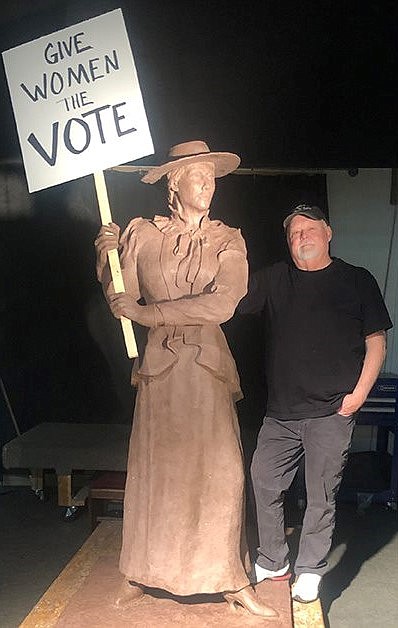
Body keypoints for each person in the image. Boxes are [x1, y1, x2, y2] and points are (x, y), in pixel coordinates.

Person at [94, 140, 277, 619]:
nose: (209, 186)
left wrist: (147, 313)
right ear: (174, 183)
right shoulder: (142, 234)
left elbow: (224, 302)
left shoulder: (228, 239)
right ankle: (144, 569)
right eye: (199, 177)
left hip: (208, 367)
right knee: (157, 472)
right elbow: (124, 297)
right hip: (159, 369)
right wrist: (108, 259)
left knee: (222, 472)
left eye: (213, 178)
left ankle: (229, 578)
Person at [239, 204, 392, 603]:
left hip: (331, 411)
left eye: (309, 229)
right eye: (293, 233)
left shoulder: (356, 280)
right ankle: (273, 560)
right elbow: (230, 299)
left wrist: (359, 395)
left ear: (328, 233)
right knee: (263, 480)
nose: (301, 237)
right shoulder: (274, 279)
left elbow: (376, 340)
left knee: (321, 495)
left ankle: (310, 571)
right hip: (280, 414)